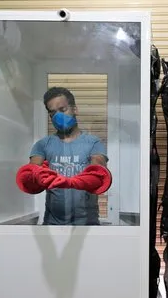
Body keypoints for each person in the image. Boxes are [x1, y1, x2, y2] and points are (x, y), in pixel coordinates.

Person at [15, 87, 111, 225]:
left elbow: (98, 171)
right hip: (53, 224)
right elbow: (31, 174)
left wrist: (69, 182)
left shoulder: (93, 142)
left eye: (62, 109)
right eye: (52, 113)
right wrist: (36, 174)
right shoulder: (43, 145)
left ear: (75, 109)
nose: (58, 116)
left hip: (87, 225)